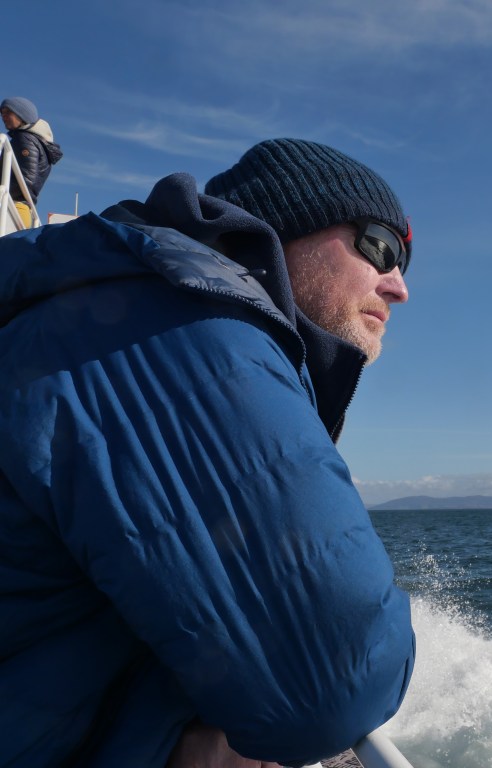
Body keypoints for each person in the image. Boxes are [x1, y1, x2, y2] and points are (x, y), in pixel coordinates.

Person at [0, 139, 416, 767]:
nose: (399, 286)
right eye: (380, 246)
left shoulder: (131, 309)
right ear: (288, 224)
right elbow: (336, 684)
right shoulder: (178, 329)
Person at [0, 96, 63, 228]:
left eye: (8, 112)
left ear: (22, 115)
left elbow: (27, 179)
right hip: (19, 209)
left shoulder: (24, 139)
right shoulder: (35, 140)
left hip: (12, 207)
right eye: (2, 113)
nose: (3, 116)